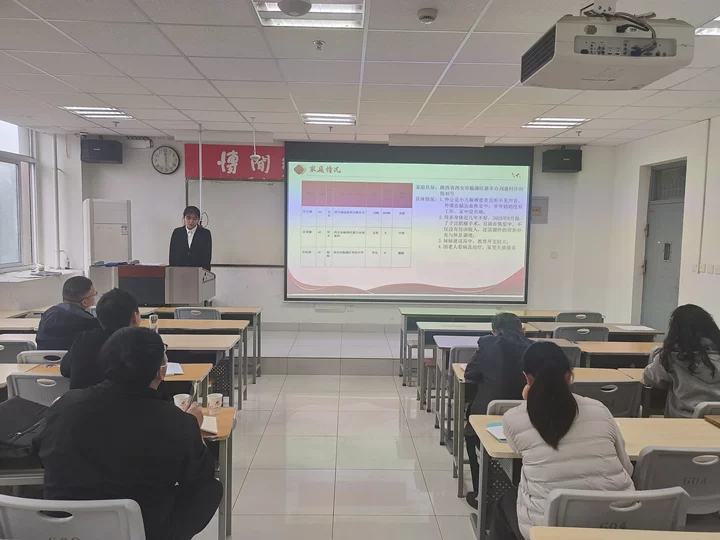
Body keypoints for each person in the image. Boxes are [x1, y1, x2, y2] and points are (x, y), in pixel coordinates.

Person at [34, 327, 222, 540]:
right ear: (160, 372)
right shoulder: (176, 421)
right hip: (140, 529)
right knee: (210, 488)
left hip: (65, 530)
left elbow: (39, 450)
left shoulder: (65, 405)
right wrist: (195, 427)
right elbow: (201, 474)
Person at [493, 341, 634, 540]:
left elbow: (520, 450)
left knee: (505, 502)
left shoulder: (513, 418)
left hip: (552, 526)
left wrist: (528, 402)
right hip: (618, 523)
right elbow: (627, 468)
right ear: (569, 376)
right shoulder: (599, 409)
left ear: (527, 377)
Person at [464, 312, 533, 509]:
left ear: (494, 331)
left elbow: (470, 373)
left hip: (488, 412)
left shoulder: (487, 343)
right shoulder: (533, 347)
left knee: (471, 434)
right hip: (526, 413)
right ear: (522, 330)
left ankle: (482, 494)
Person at [643, 304, 720, 418]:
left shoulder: (671, 357)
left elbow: (650, 378)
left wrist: (656, 357)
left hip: (681, 420)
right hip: (716, 421)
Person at [60, 288, 140, 390]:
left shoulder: (84, 339)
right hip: (120, 400)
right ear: (134, 316)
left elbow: (65, 370)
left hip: (81, 399)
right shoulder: (137, 344)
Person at [36, 276, 100, 350]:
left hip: (42, 357)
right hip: (75, 357)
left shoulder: (47, 314)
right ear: (84, 302)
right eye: (94, 294)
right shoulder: (89, 322)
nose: (95, 296)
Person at [169, 205, 212, 270]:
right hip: (179, 270)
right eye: (188, 218)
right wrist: (172, 271)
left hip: (198, 271)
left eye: (194, 219)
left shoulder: (205, 234)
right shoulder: (177, 232)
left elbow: (207, 256)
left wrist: (205, 272)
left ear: (198, 219)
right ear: (184, 218)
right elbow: (172, 254)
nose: (191, 221)